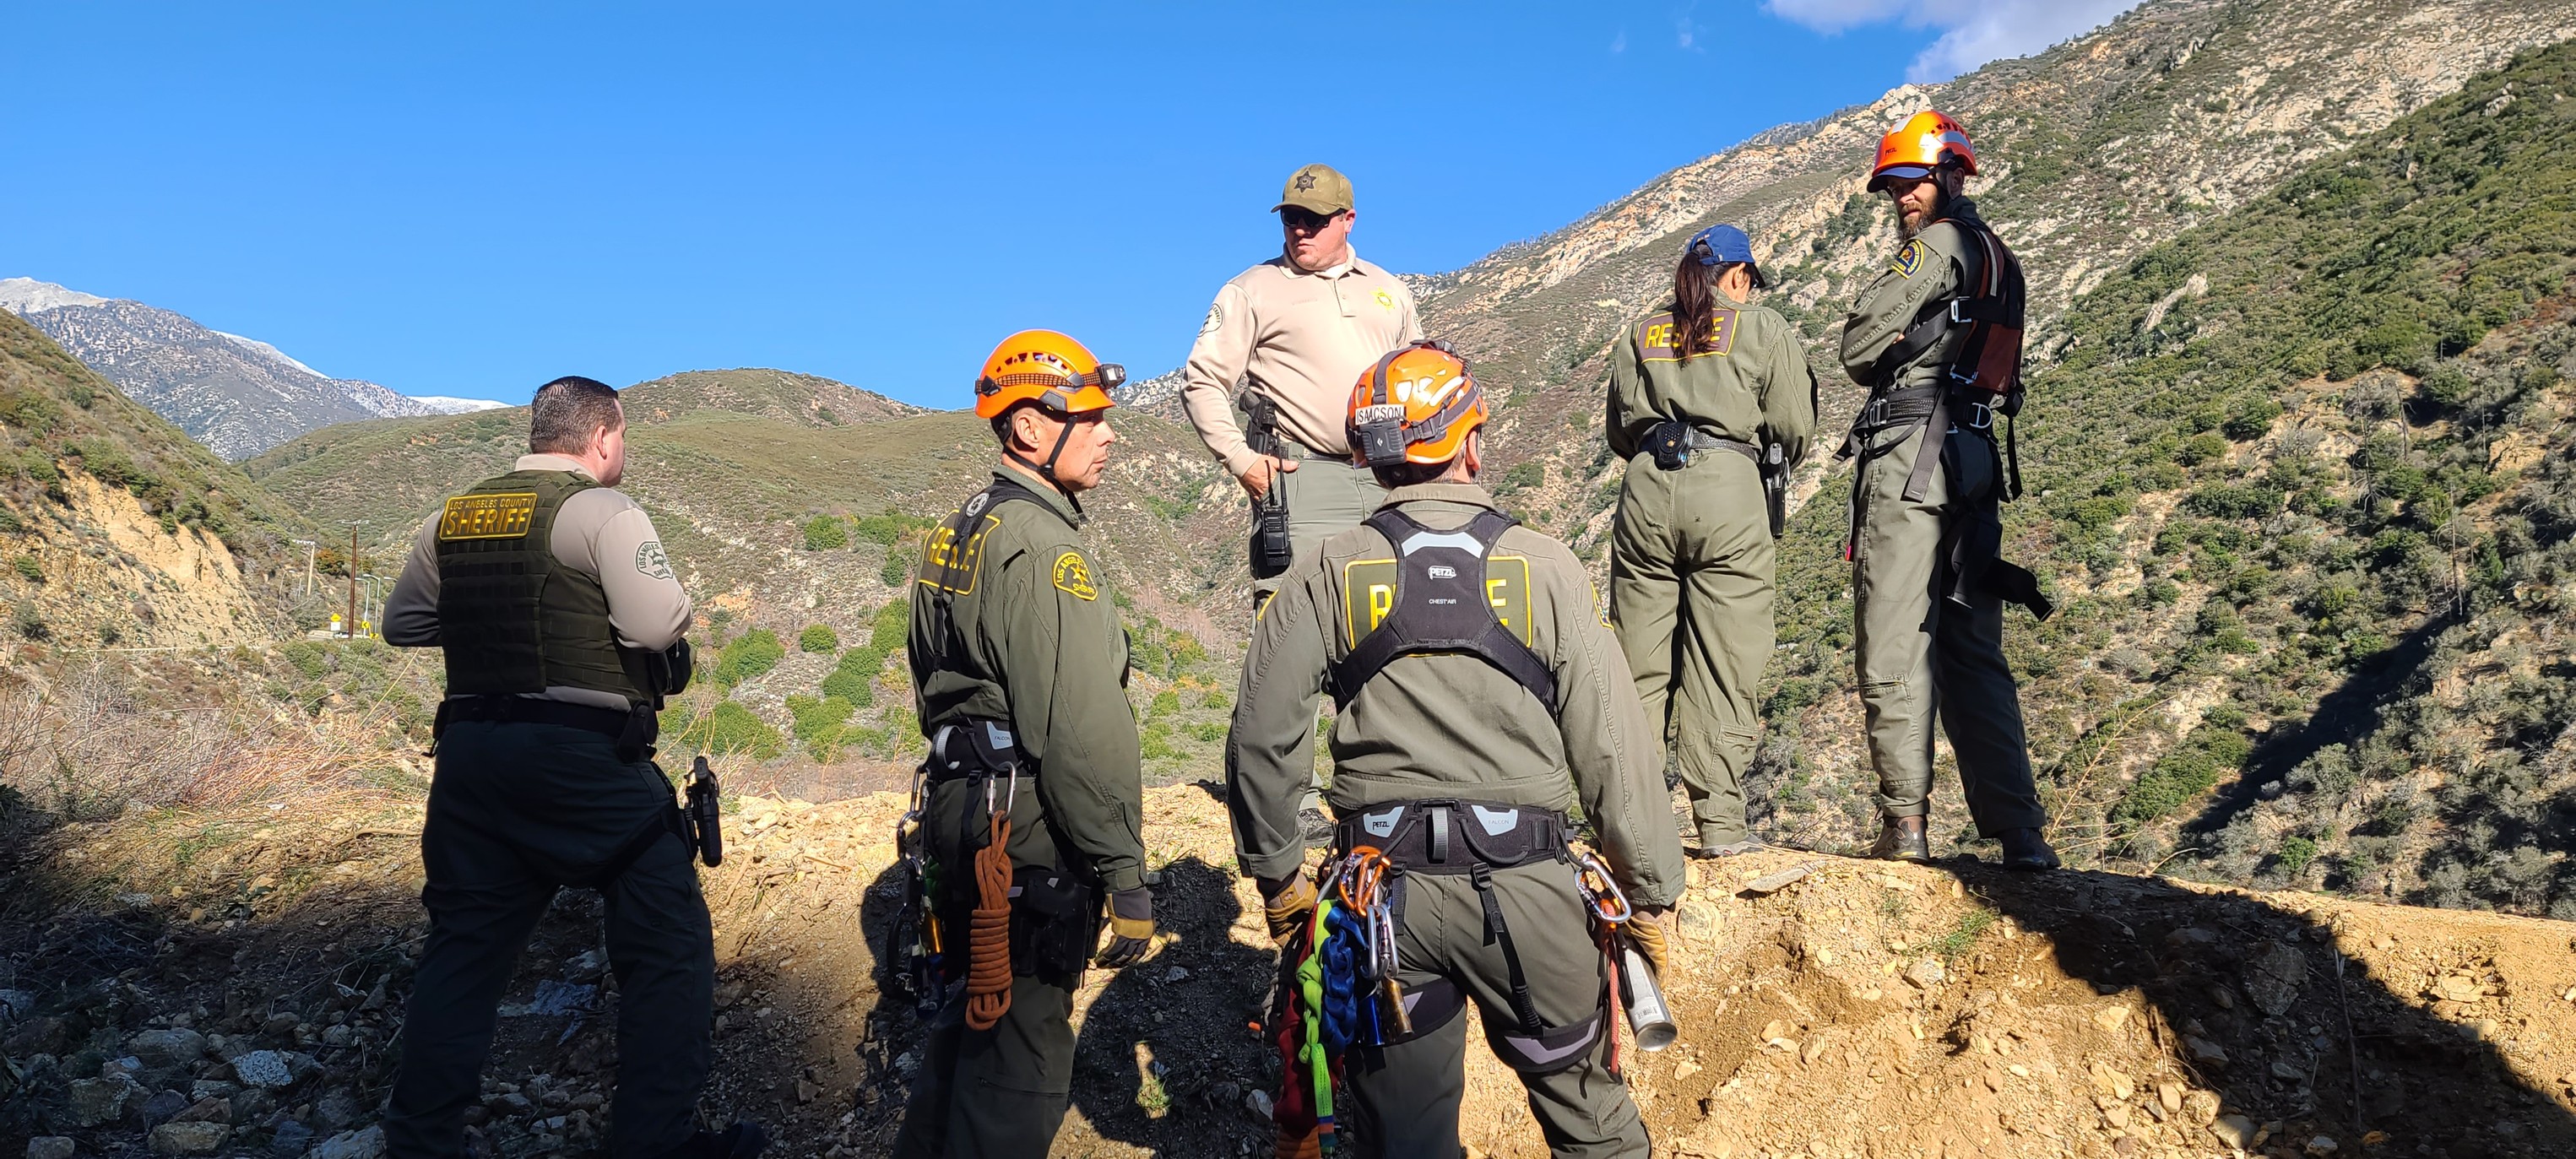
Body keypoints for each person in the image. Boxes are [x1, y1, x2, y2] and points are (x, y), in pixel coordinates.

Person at [1228, 341, 1687, 1158]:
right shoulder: (1544, 566)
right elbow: (1613, 741)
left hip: (1385, 901)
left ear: (1374, 458)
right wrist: (1649, 888)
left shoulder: (1328, 569)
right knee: (1591, 1120)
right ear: (1470, 439)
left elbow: (1264, 734)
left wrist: (1279, 875)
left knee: (1402, 1141)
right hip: (1533, 889)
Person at [380, 376, 761, 1159]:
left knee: (463, 953)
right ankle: (654, 1144)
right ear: (602, 438)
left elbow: (405, 622)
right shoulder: (602, 510)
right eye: (622, 439)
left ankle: (420, 1143)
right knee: (667, 943)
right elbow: (657, 626)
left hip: (470, 758)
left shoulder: (449, 516)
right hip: (579, 760)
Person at [893, 329, 1155, 1159]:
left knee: (963, 1043)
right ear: (1031, 431)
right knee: (1018, 1067)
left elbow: (931, 685)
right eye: (1090, 416)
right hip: (1024, 832)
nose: (1110, 432)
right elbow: (1078, 726)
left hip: (959, 812)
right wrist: (1125, 872)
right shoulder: (1043, 547)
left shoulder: (957, 531)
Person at [1836, 111, 2059, 870]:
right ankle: (2020, 833)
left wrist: (1898, 343)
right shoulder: (2005, 259)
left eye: (1911, 181)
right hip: (1972, 461)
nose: (1900, 196)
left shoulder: (1935, 248)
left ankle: (1905, 825)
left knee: (1895, 639)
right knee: (1972, 651)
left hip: (1911, 458)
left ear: (1950, 176)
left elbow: (1857, 342)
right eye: (1892, 185)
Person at [1184, 163, 1424, 844]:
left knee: (1384, 633)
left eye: (1313, 219)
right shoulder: (1253, 288)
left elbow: (1411, 377)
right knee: (1289, 640)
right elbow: (1202, 381)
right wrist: (1242, 461)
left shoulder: (1389, 292)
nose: (1299, 229)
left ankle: (1376, 795)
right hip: (1300, 478)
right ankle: (1277, 806)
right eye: (1291, 216)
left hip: (1381, 481)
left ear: (1347, 220)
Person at [1605, 223, 1818, 858]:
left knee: (1637, 663)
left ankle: (1629, 825)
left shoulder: (1640, 333)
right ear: (1736, 275)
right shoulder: (1760, 327)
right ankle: (1719, 823)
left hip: (1645, 490)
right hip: (1726, 488)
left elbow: (1620, 429)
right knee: (1724, 659)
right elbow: (1793, 426)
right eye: (1747, 279)